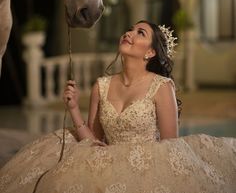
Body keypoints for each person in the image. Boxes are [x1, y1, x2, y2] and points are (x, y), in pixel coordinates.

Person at [0, 21, 235, 193]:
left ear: (150, 52)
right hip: (105, 166)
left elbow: (171, 148)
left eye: (139, 33)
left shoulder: (162, 86)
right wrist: (72, 108)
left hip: (149, 171)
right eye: (130, 29)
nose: (129, 33)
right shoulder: (100, 86)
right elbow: (93, 139)